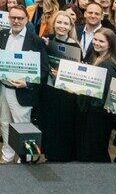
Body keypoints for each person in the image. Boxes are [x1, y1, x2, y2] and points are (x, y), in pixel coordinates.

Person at [0, 5, 49, 163]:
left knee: (23, 126)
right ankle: (7, 155)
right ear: (8, 18)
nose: (16, 21)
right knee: (4, 123)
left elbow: (44, 70)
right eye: (13, 18)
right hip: (4, 88)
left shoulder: (35, 40)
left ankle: (27, 159)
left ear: (27, 20)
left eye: (20, 18)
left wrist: (27, 82)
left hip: (23, 91)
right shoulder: (3, 34)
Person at [38, 11, 81, 162]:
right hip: (48, 89)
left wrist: (62, 75)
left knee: (62, 124)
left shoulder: (75, 47)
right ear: (54, 24)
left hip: (66, 93)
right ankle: (48, 153)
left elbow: (77, 74)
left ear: (70, 27)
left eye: (65, 23)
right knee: (48, 122)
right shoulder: (47, 40)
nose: (62, 26)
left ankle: (61, 156)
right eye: (59, 22)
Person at [74, 27, 116, 162]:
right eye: (95, 39)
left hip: (97, 116)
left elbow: (104, 95)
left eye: (101, 41)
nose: (97, 43)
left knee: (95, 150)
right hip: (90, 113)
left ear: (110, 44)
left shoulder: (108, 65)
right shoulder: (96, 58)